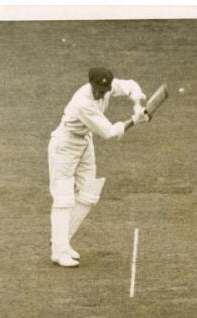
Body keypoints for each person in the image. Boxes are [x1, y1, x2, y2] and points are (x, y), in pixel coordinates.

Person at [48, 67, 149, 267]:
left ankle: (62, 241)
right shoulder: (82, 103)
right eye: (96, 90)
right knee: (63, 200)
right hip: (65, 145)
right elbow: (110, 133)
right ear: (90, 85)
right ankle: (58, 252)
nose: (100, 94)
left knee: (89, 193)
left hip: (85, 142)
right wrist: (134, 121)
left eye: (103, 90)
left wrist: (137, 104)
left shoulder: (109, 88)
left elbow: (131, 86)